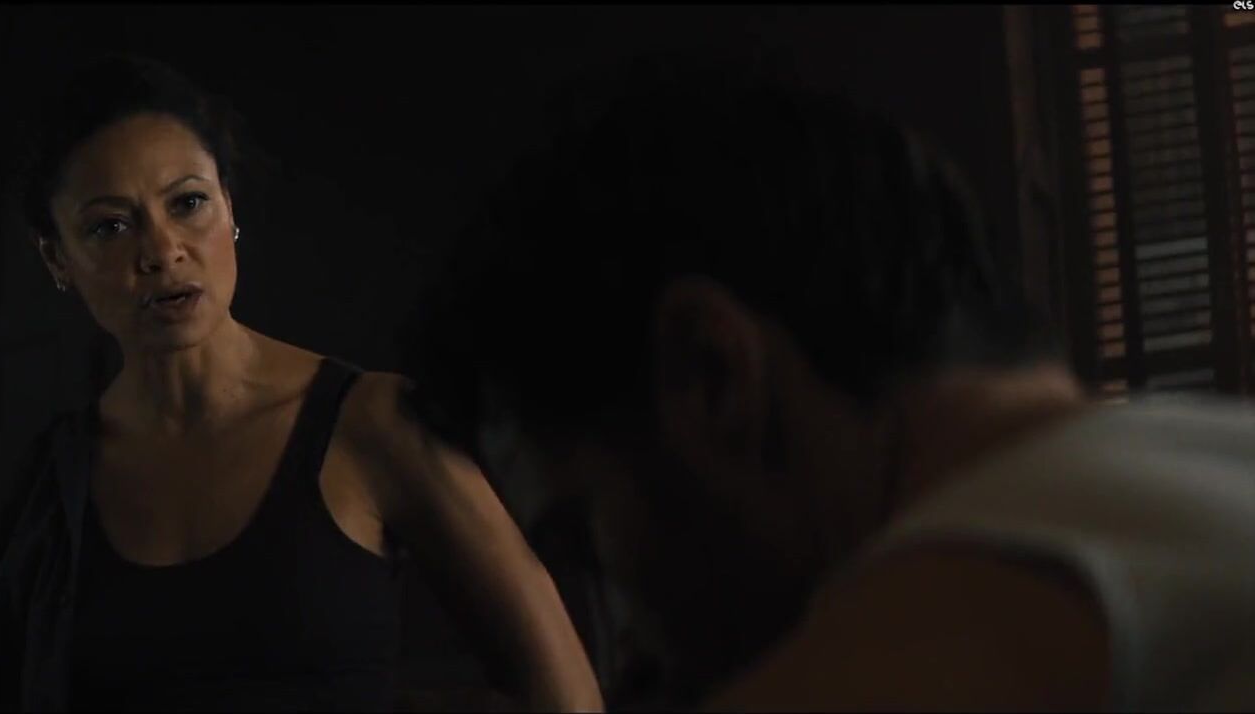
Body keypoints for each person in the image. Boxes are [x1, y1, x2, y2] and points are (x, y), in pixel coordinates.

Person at [400, 54, 1255, 711]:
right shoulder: (1219, 459)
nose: (630, 650)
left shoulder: (945, 627)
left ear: (711, 373)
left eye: (587, 534)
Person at [0, 55, 604, 712]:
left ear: (230, 207)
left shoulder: (374, 423)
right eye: (109, 226)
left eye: (188, 203)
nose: (161, 251)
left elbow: (567, 698)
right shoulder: (49, 490)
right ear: (57, 258)